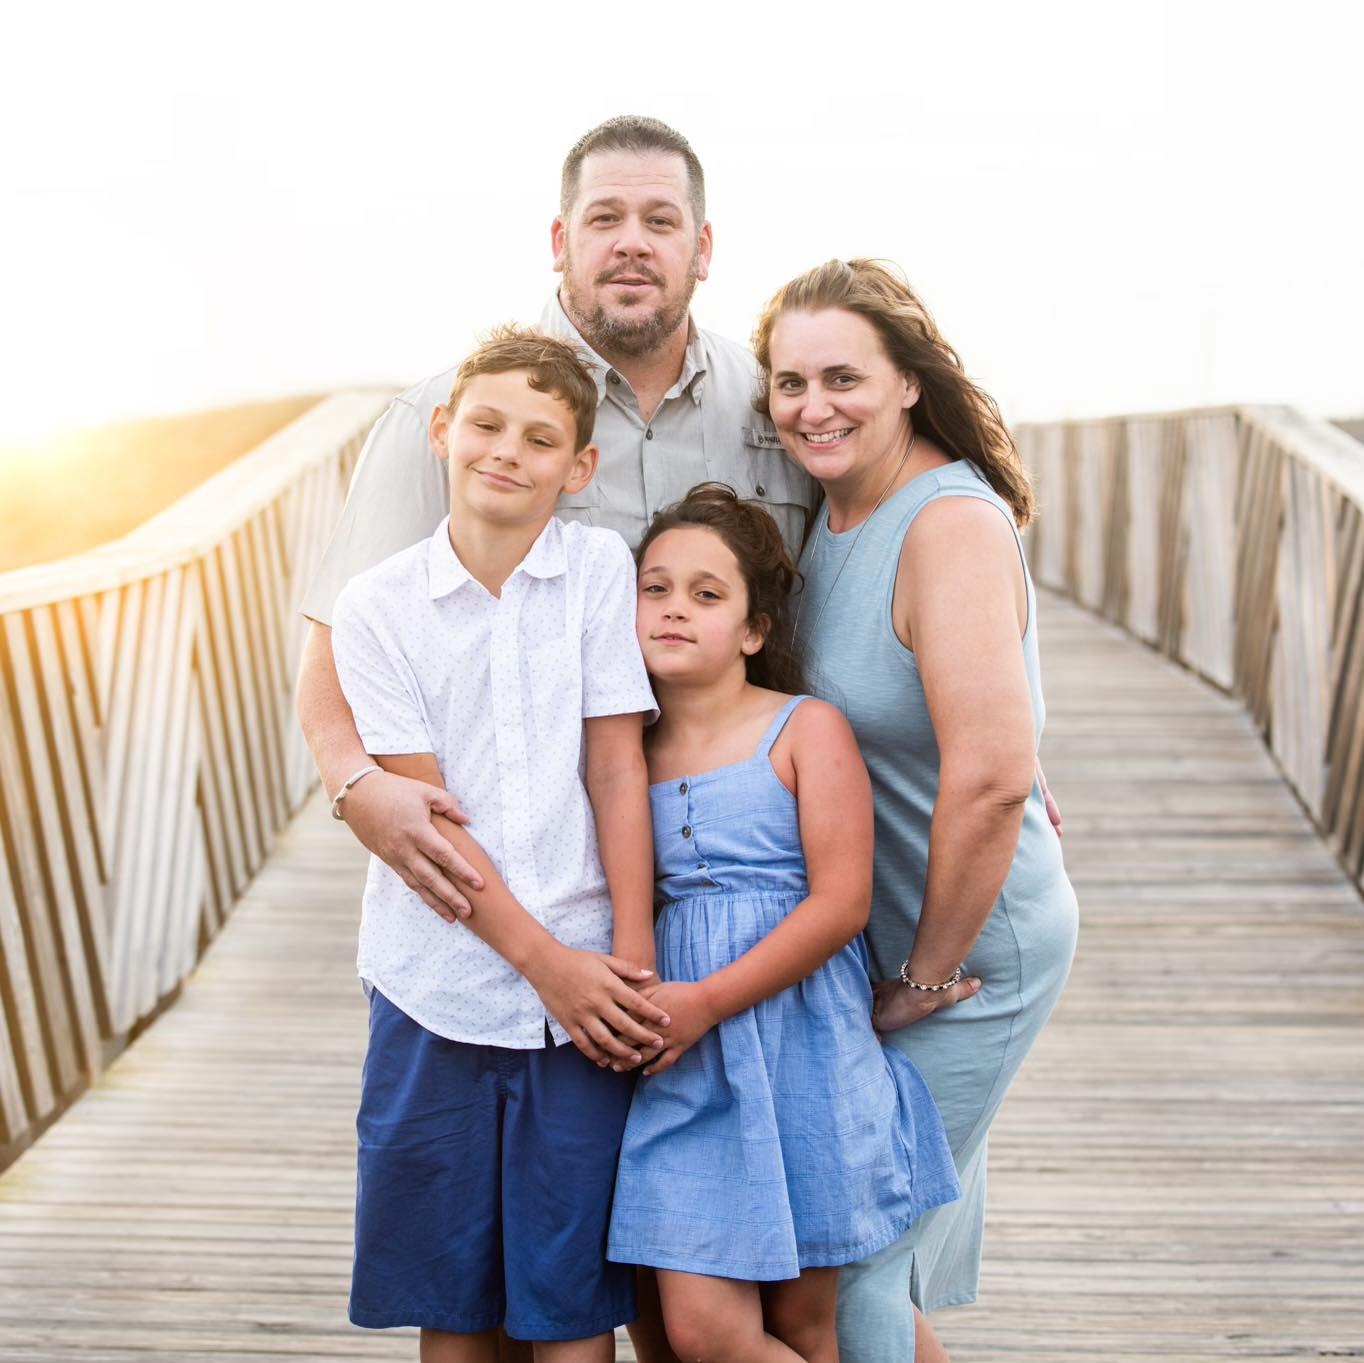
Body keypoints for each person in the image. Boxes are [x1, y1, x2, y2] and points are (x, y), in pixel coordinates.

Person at [297, 114, 817, 931]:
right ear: (559, 239)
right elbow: (339, 638)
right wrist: (353, 783)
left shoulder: (780, 403)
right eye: (604, 218)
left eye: (661, 221)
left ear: (703, 248)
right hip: (523, 868)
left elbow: (869, 554)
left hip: (743, 856)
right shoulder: (449, 419)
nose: (632, 243)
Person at [753, 260, 1080, 1363]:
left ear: (907, 382)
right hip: (884, 951)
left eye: (842, 377)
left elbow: (990, 777)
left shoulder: (945, 523)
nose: (812, 406)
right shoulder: (827, 508)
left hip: (970, 958)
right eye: (789, 383)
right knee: (873, 1262)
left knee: (855, 1263)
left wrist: (926, 978)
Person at [329, 326, 667, 1361]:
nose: (506, 452)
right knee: (455, 1303)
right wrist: (547, 967)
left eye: (539, 437)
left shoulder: (597, 569)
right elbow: (430, 829)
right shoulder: (375, 607)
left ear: (580, 467)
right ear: (442, 430)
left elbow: (616, 767)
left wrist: (630, 955)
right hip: (434, 986)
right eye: (485, 424)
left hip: (589, 987)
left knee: (573, 1304)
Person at [605, 486, 961, 1363]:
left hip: (802, 1044)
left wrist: (706, 1001)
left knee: (805, 1324)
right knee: (697, 1328)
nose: (674, 608)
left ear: (755, 630)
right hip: (686, 1063)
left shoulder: (804, 728)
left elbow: (840, 904)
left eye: (706, 594)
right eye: (655, 588)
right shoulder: (624, 752)